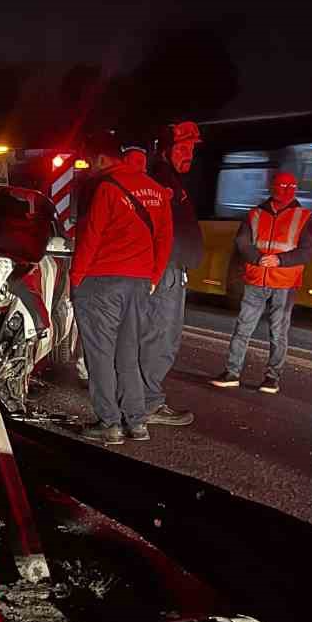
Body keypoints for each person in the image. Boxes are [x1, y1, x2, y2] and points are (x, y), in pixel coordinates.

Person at [70, 131, 173, 444]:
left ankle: (109, 422)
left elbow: (91, 238)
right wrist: (152, 278)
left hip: (101, 281)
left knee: (99, 355)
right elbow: (164, 241)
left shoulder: (107, 187)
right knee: (128, 353)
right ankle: (137, 422)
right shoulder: (157, 191)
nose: (91, 166)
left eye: (92, 161)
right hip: (140, 283)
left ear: (104, 159)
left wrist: (75, 280)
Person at [212, 171, 312, 395]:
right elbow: (242, 242)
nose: (287, 190)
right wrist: (259, 258)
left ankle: (271, 377)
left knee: (277, 332)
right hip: (256, 279)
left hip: (284, 282)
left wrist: (279, 260)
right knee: (244, 328)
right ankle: (233, 373)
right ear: (272, 187)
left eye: (291, 186)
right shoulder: (255, 214)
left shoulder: (305, 216)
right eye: (282, 186)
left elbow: (308, 251)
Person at [139, 121, 203, 427]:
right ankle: (146, 403)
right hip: (165, 269)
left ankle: (140, 399)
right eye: (182, 148)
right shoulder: (161, 179)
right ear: (165, 149)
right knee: (160, 336)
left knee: (161, 335)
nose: (188, 154)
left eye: (191, 148)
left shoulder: (170, 179)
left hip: (170, 267)